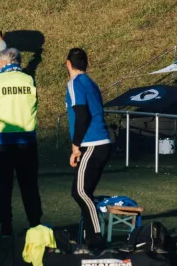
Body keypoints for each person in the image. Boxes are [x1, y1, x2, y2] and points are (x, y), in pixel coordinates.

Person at [0, 48, 42, 237]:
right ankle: (35, 224)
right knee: (29, 185)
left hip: (2, 139)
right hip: (27, 139)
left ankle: (6, 227)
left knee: (4, 186)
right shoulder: (28, 79)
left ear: (4, 62)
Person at [65, 48, 111, 253]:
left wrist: (76, 146)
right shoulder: (91, 82)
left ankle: (97, 237)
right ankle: (88, 238)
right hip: (99, 143)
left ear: (68, 64)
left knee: (80, 191)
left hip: (93, 142)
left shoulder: (75, 84)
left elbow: (82, 116)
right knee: (85, 192)